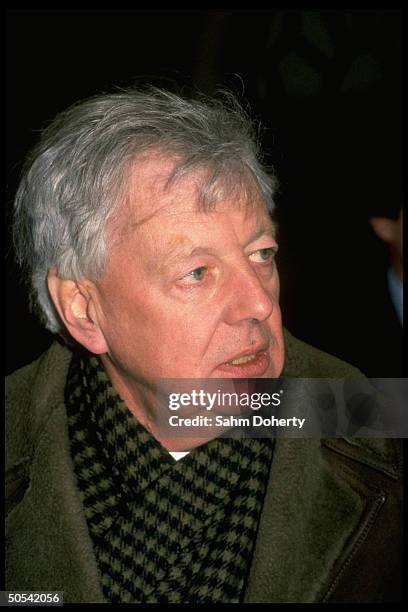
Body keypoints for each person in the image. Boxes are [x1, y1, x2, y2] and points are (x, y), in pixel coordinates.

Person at [5, 86, 402, 603]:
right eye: (197, 273)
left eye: (261, 254)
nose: (258, 304)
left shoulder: (378, 429)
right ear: (84, 309)